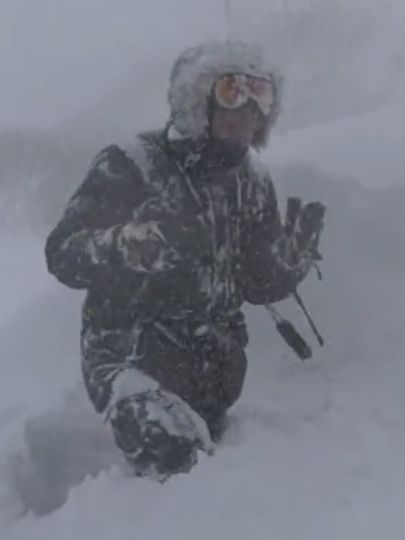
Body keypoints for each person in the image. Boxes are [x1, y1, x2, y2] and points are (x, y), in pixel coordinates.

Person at [44, 40, 324, 479]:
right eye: (231, 97)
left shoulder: (251, 182)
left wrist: (288, 266)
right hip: (132, 362)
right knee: (175, 469)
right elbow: (62, 254)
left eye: (259, 101)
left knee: (222, 484)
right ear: (196, 104)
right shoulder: (133, 166)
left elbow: (255, 283)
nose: (246, 115)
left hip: (214, 372)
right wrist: (123, 244)